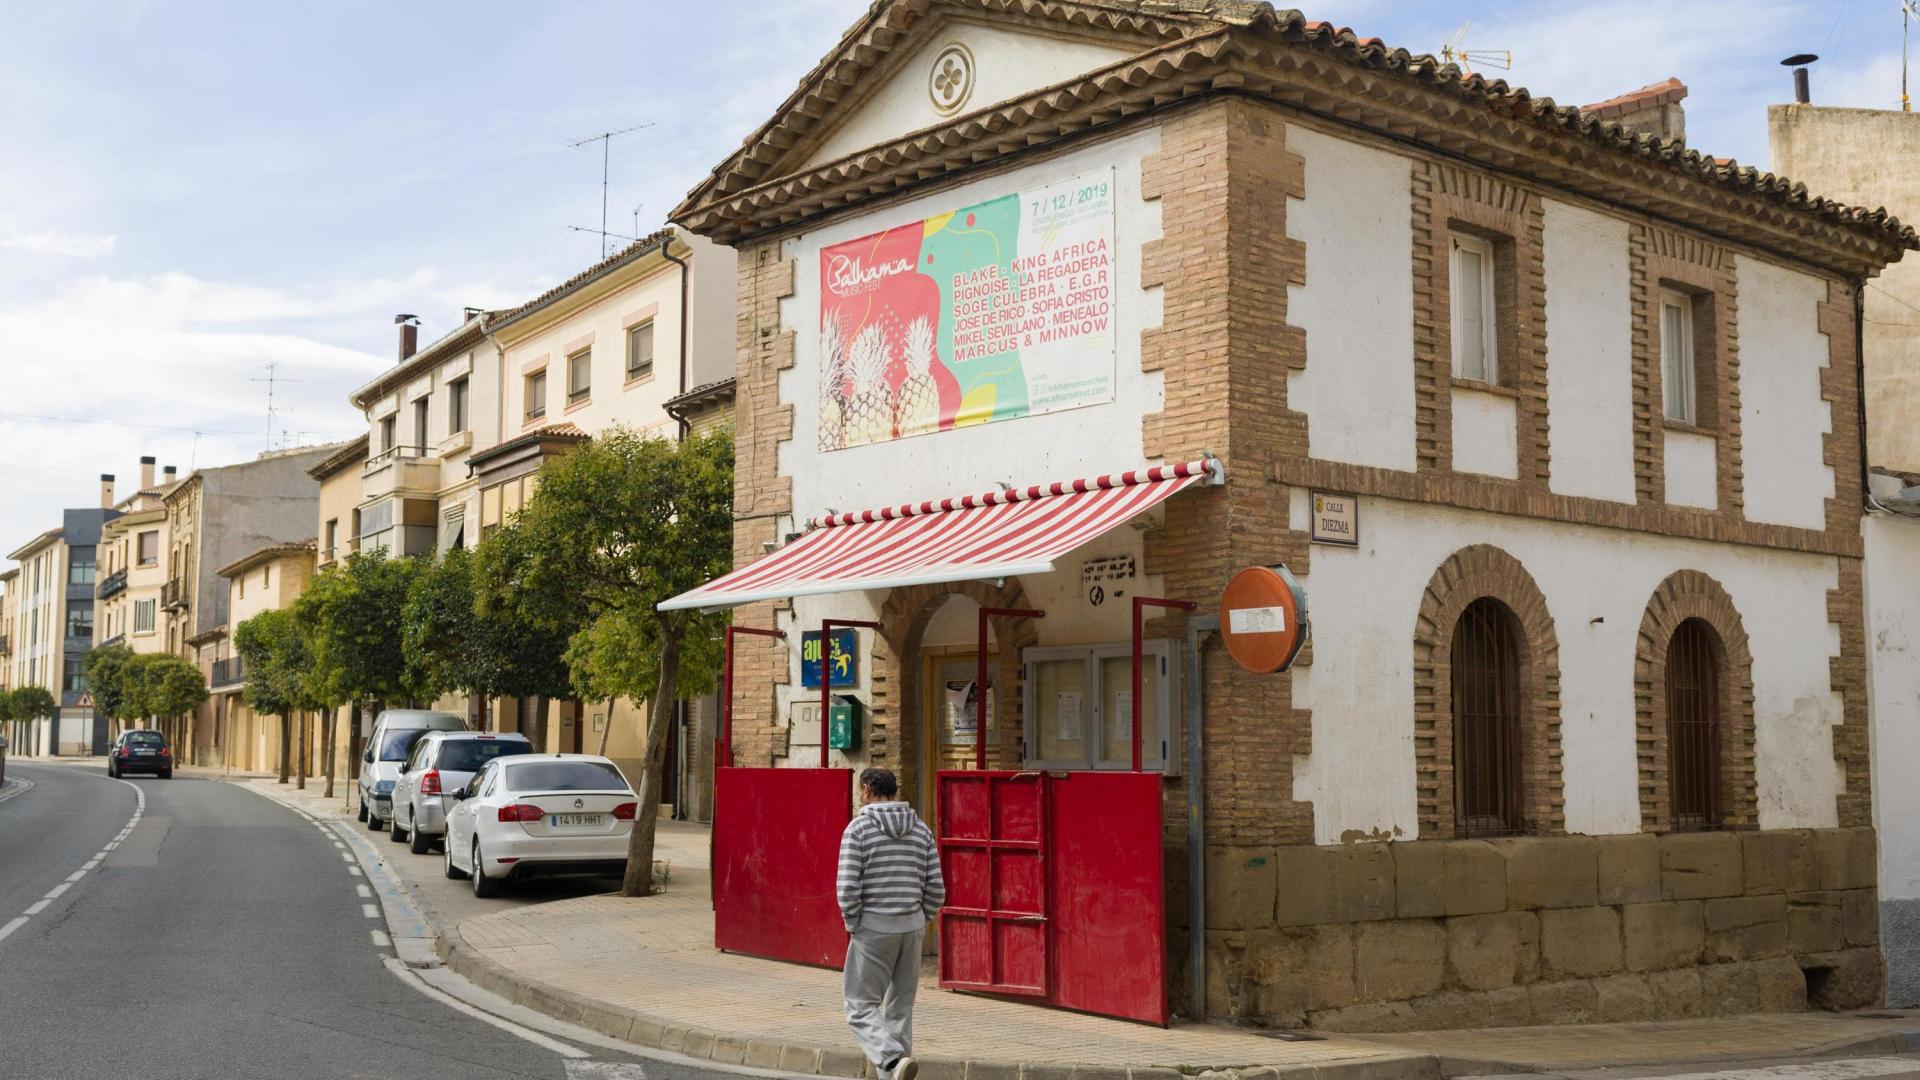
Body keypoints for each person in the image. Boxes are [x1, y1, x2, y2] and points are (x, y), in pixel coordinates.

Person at [836, 766, 944, 1080]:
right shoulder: (921, 829)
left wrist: (853, 921)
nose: (859, 797)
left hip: (873, 926)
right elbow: (936, 887)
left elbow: (846, 888)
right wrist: (922, 917)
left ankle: (892, 1059)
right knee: (900, 1006)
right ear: (894, 791)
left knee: (859, 1004)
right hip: (911, 927)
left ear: (867, 789)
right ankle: (895, 1072)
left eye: (860, 791)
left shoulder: (857, 829)